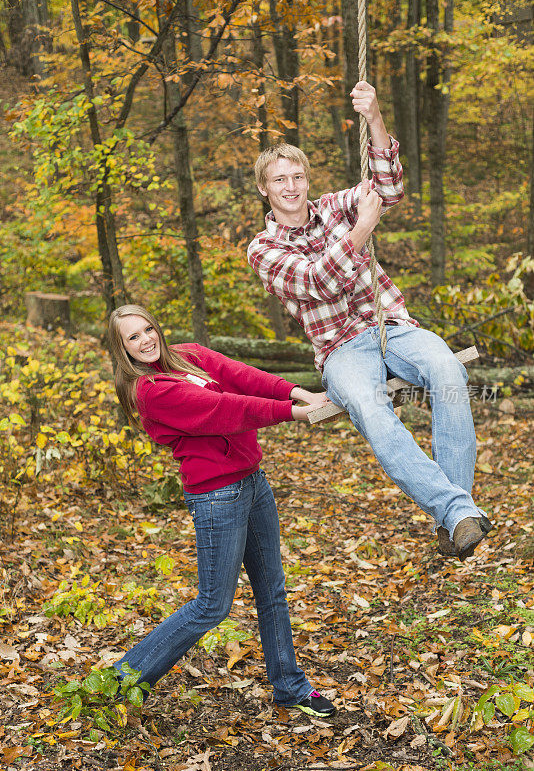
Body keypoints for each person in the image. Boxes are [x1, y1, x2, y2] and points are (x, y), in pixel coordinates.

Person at [248, 81, 492, 562]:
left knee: (447, 371)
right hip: (340, 351)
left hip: (392, 326)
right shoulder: (264, 249)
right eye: (280, 180)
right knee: (367, 405)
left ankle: (454, 517)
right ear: (264, 189)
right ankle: (456, 511)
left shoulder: (334, 206)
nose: (292, 186)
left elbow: (390, 188)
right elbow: (321, 282)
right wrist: (362, 229)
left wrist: (376, 118)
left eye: (298, 176)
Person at [106, 303, 336, 717]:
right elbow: (227, 410)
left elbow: (240, 375)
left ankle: (290, 687)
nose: (145, 341)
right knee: (212, 605)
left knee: (272, 591)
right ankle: (121, 679)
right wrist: (294, 413)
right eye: (133, 337)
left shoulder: (187, 355)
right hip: (217, 496)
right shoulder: (153, 390)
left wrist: (297, 391)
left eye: (147, 329)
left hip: (253, 482)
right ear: (121, 348)